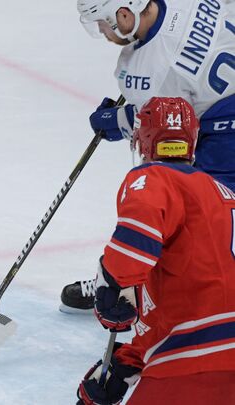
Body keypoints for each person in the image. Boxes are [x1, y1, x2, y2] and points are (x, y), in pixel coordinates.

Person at [61, 0, 235, 312]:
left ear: (123, 14)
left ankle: (126, 287)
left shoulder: (148, 68)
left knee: (183, 213)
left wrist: (118, 120)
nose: (103, 32)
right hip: (222, 114)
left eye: (102, 23)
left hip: (224, 138)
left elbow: (166, 123)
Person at [76, 96, 235, 405]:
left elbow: (140, 232)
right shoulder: (223, 195)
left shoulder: (153, 178)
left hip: (199, 358)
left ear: (141, 140)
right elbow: (200, 296)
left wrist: (115, 283)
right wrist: (127, 364)